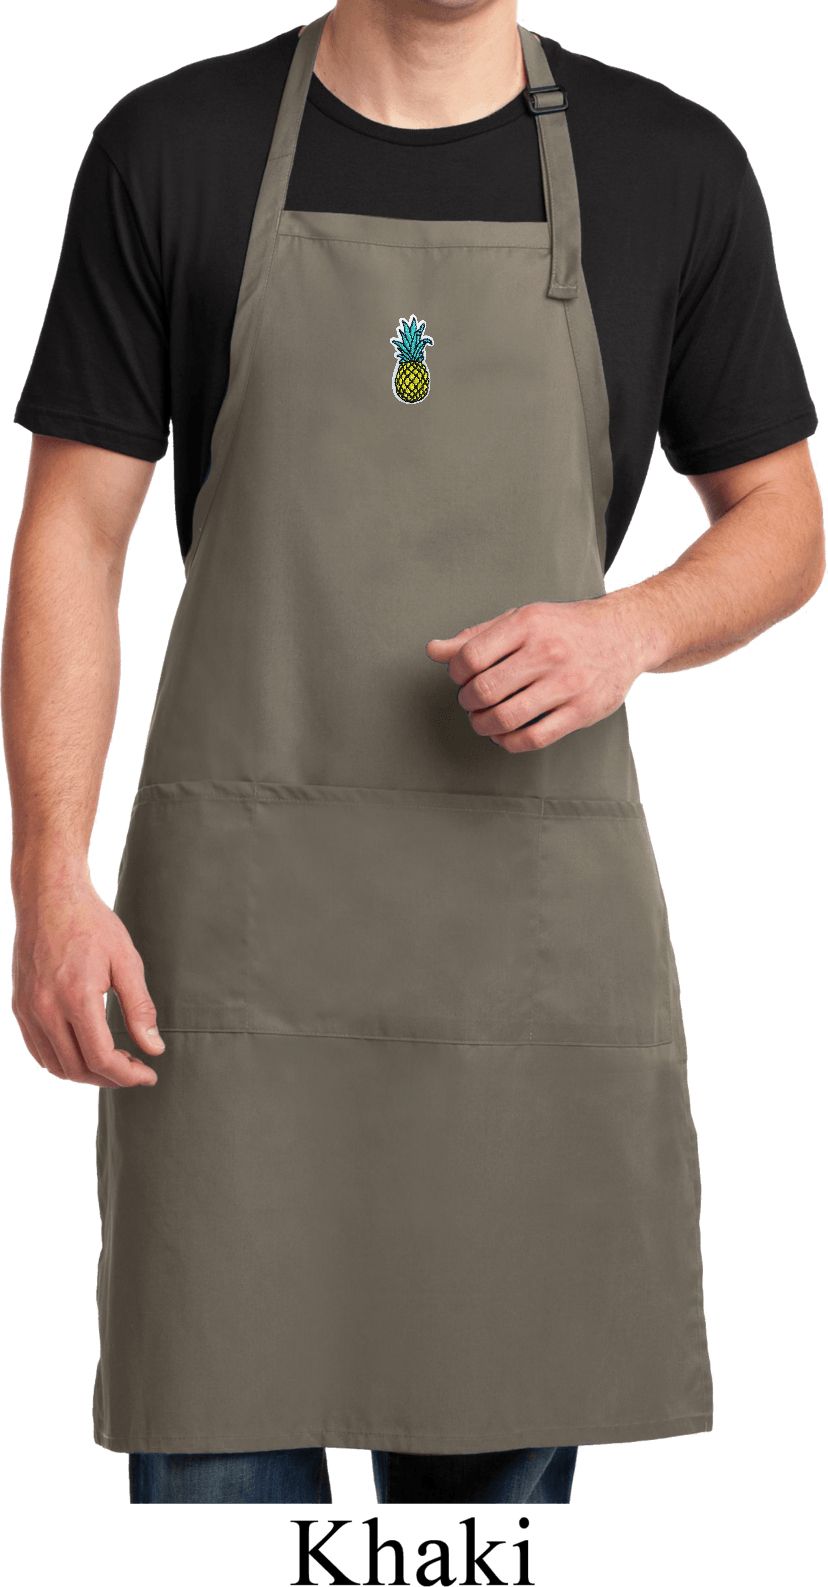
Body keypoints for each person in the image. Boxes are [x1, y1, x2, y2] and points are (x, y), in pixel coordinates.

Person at [4, 0, 822, 1508]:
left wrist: (629, 630)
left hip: (521, 968)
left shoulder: (672, 166)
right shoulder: (171, 148)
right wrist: (48, 878)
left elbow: (784, 517)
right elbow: (73, 533)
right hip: (239, 979)